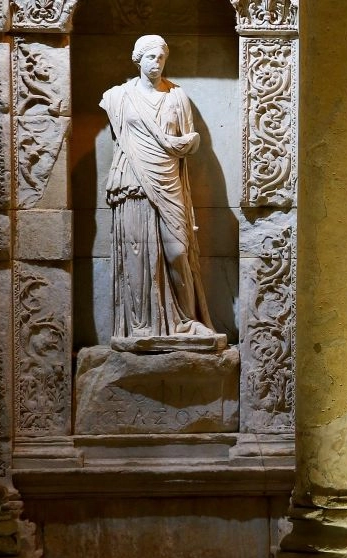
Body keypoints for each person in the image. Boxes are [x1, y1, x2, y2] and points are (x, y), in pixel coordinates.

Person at [101, 35, 218, 346]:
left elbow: (186, 139)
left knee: (178, 252)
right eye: (150, 57)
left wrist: (187, 141)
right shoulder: (118, 97)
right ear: (137, 59)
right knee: (138, 257)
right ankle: (141, 327)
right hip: (133, 182)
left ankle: (186, 322)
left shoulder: (177, 97)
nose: (155, 63)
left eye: (161, 58)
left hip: (168, 180)